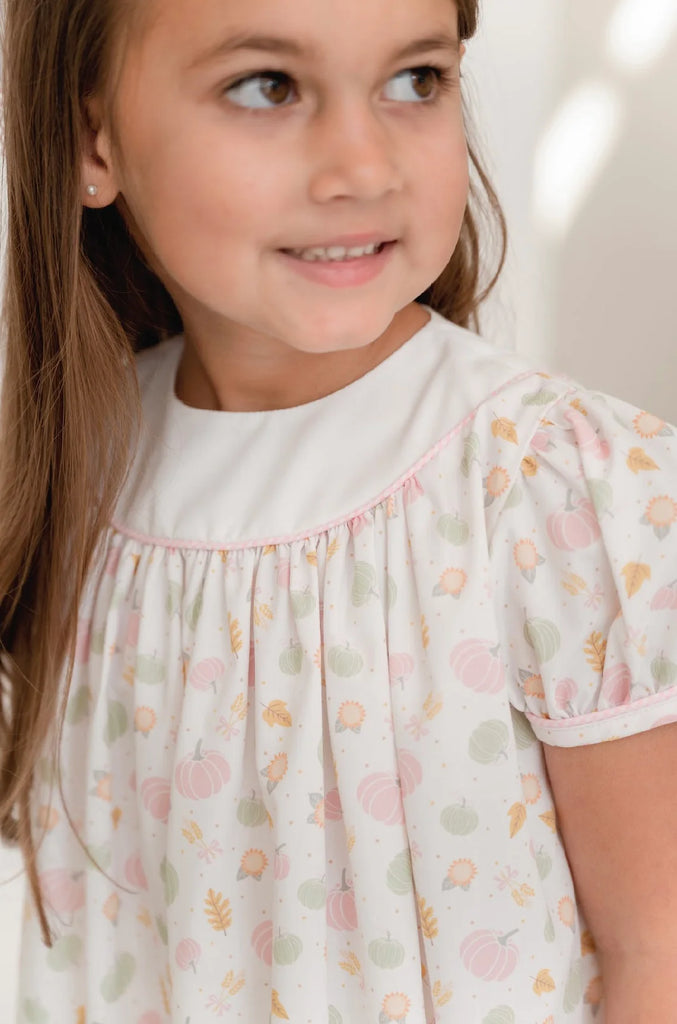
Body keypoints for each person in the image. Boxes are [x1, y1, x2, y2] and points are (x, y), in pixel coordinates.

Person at [1, 0, 676, 1020]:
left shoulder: (555, 491)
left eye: (415, 80)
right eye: (267, 87)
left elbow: (655, 947)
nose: (362, 168)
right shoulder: (76, 480)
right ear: (92, 140)